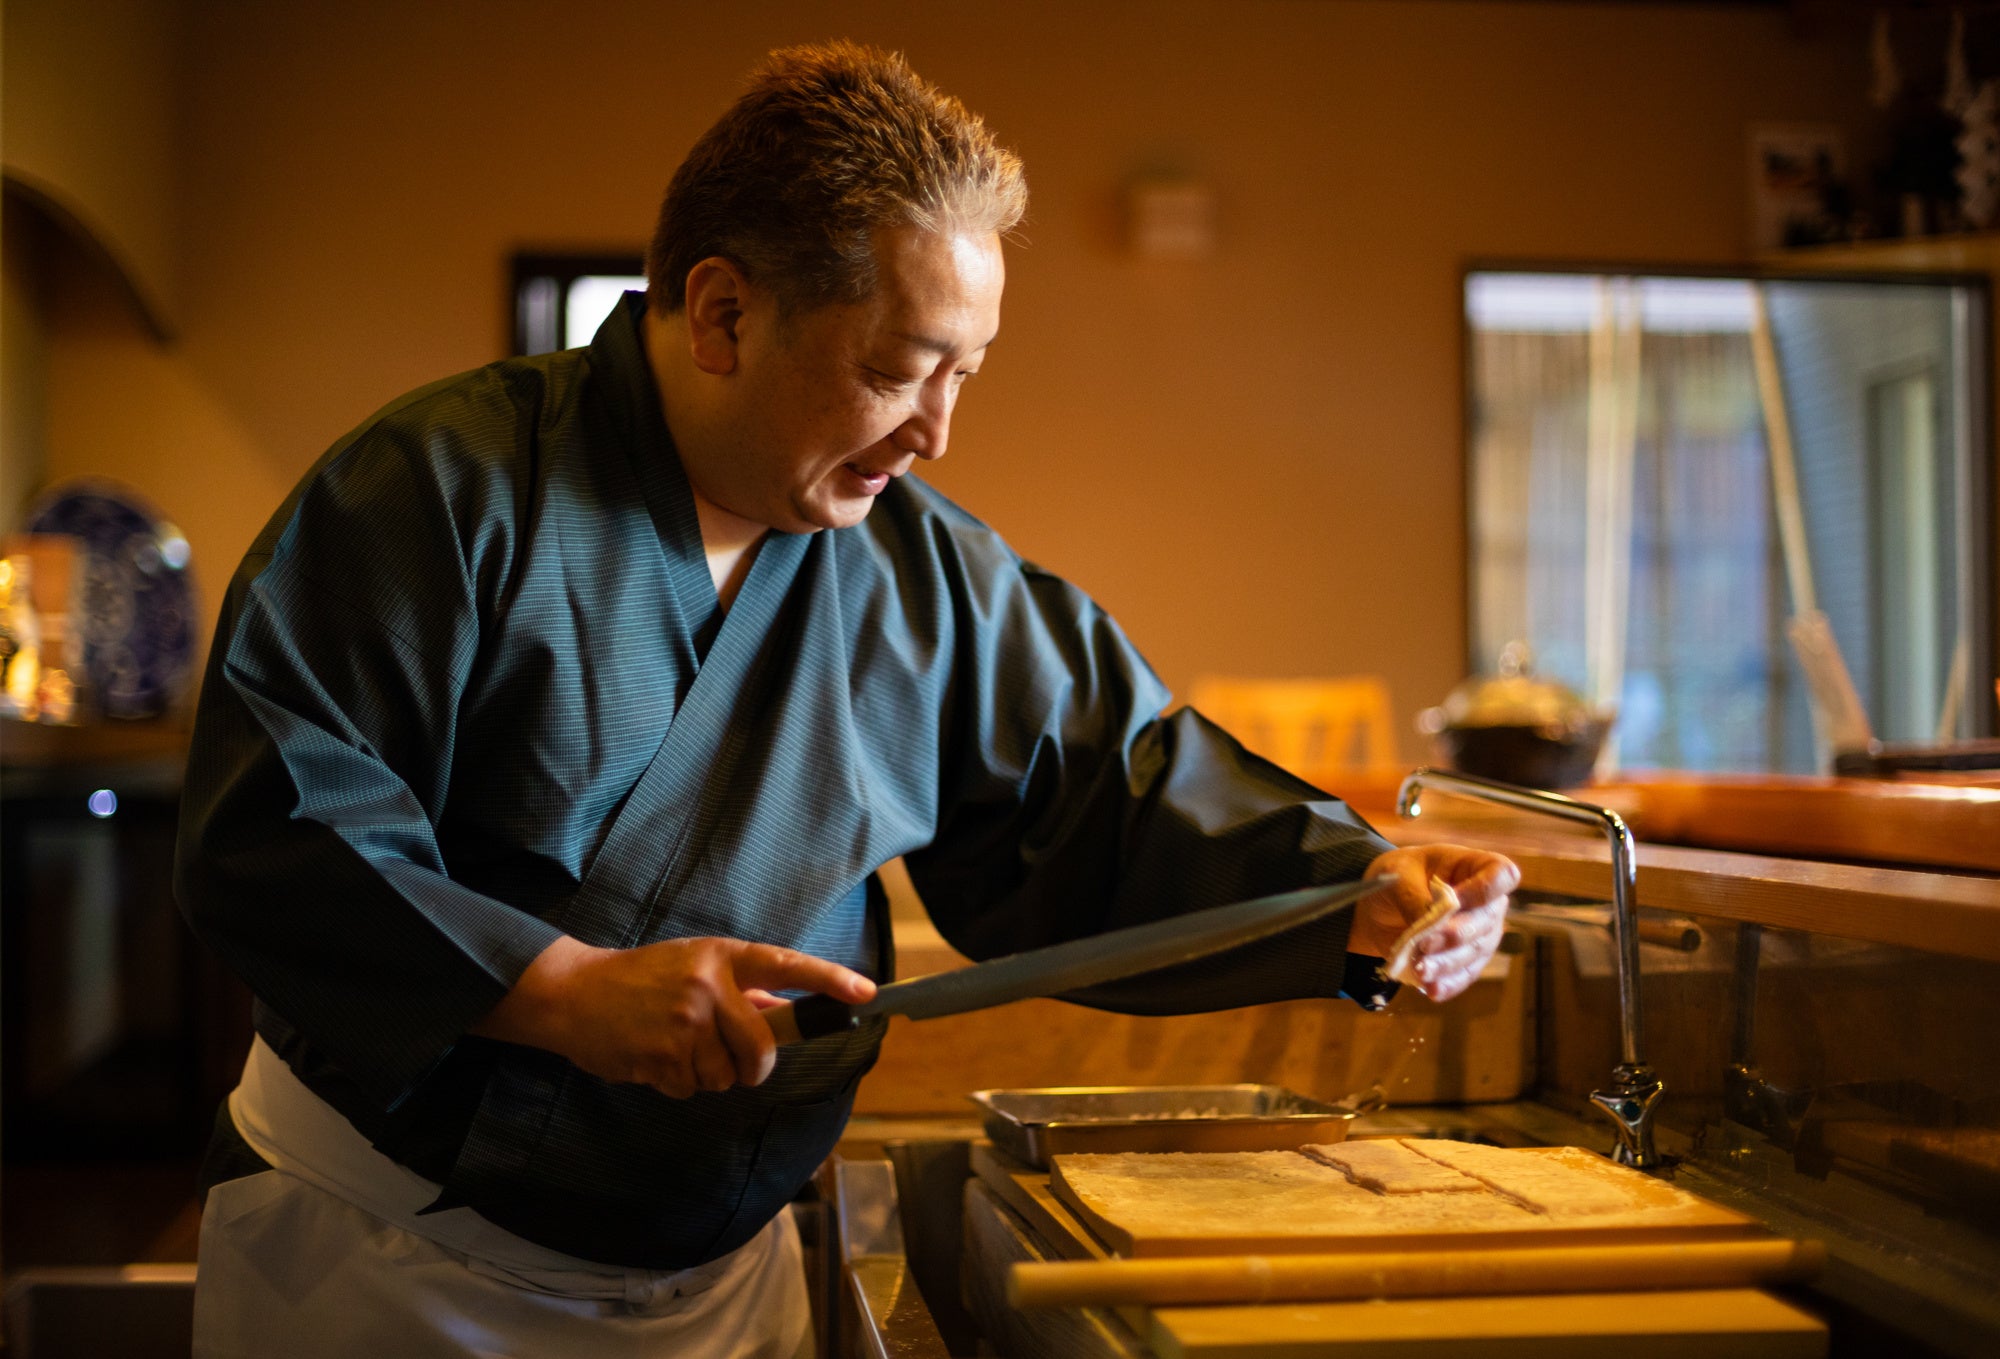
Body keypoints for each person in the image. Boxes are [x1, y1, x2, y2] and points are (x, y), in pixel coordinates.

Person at [175, 40, 1517, 1359]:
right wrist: (559, 990)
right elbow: (282, 821)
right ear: (722, 314)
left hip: (728, 1278)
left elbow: (1108, 799)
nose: (936, 430)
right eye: (896, 368)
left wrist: (1356, 893)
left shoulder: (925, 572)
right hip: (395, 1264)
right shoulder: (444, 489)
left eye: (963, 373)